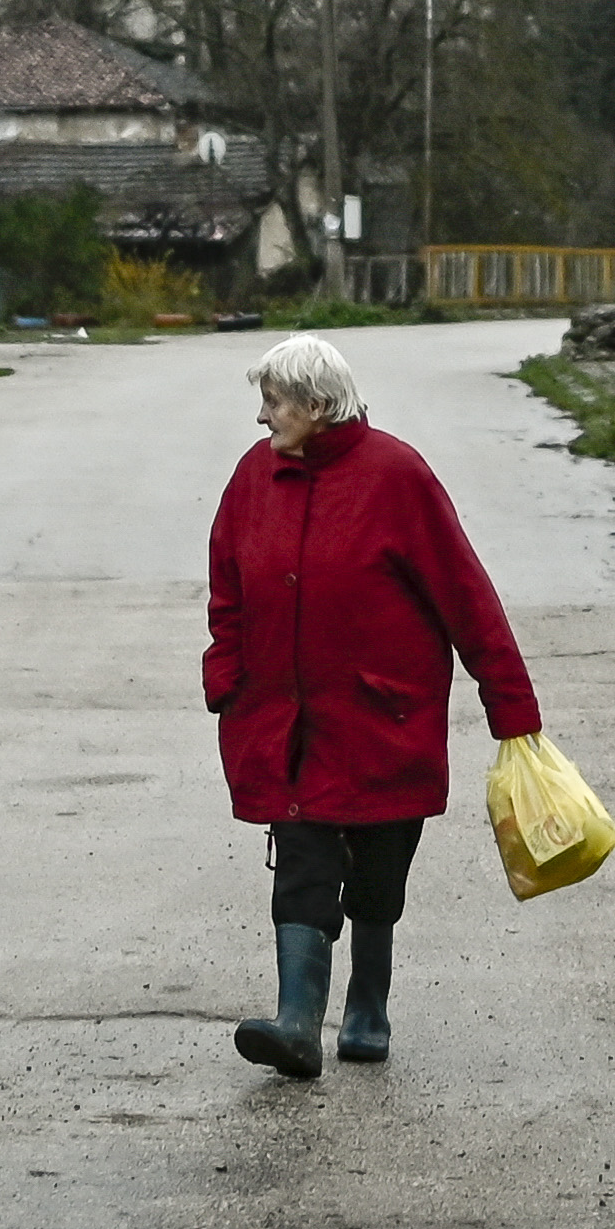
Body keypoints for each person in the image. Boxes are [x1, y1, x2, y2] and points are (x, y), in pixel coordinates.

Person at [200, 332, 537, 1081]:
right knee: (303, 861)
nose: (261, 416)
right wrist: (227, 671)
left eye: (274, 402)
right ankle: (296, 1023)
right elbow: (227, 584)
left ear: (317, 405)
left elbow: (465, 595)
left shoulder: (397, 476)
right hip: (290, 721)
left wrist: (511, 707)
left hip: (384, 718)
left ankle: (367, 1005)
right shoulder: (254, 476)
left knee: (378, 875)